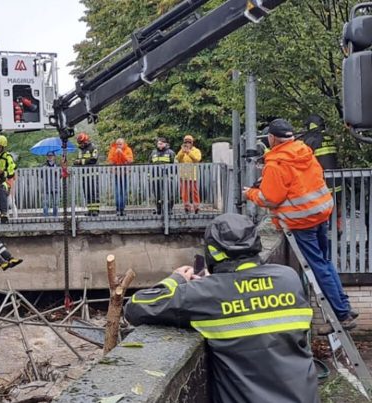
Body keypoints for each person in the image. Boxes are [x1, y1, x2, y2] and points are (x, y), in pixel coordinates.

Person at [125, 213, 318, 403]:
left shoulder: (206, 293)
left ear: (212, 251)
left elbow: (135, 307)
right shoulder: (288, 278)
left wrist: (177, 279)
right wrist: (217, 280)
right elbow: (249, 294)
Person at [244, 118, 357, 333]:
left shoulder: (276, 163)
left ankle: (342, 314)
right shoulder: (304, 151)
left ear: (271, 138)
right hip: (320, 214)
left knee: (318, 265)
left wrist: (250, 193)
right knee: (324, 261)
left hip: (301, 220)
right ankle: (344, 307)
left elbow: (270, 198)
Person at [302, 114, 344, 237]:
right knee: (335, 208)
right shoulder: (331, 137)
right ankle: (336, 231)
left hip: (320, 183)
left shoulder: (310, 140)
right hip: (336, 183)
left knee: (321, 210)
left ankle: (325, 234)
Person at [73, 132, 100, 216]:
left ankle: (95, 210)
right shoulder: (81, 150)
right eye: (79, 143)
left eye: (81, 143)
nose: (80, 144)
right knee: (87, 193)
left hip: (93, 175)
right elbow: (78, 160)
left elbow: (93, 159)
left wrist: (80, 161)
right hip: (84, 175)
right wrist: (76, 161)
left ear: (86, 141)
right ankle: (90, 210)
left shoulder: (93, 147)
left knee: (94, 192)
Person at [175, 134, 203, 214]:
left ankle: (196, 207)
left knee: (194, 192)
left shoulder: (196, 150)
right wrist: (182, 151)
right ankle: (187, 207)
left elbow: (197, 159)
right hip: (183, 175)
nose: (187, 143)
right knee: (184, 192)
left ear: (192, 143)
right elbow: (178, 159)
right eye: (186, 142)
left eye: (189, 142)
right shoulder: (181, 150)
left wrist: (189, 152)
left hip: (192, 175)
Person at [149, 137, 176, 215]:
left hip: (168, 177)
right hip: (155, 177)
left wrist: (172, 175)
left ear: (165, 143)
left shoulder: (170, 152)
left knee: (169, 194)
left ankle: (169, 209)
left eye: (161, 143)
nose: (160, 145)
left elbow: (174, 164)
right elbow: (149, 164)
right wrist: (149, 175)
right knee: (157, 194)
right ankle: (159, 209)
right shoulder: (153, 152)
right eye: (158, 144)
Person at [107, 138, 134, 216]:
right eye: (117, 144)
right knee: (117, 191)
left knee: (123, 191)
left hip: (125, 173)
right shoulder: (113, 149)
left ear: (124, 143)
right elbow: (110, 161)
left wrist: (122, 153)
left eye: (120, 144)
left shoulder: (128, 149)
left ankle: (123, 209)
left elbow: (130, 161)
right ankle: (118, 209)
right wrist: (116, 154)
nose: (118, 146)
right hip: (116, 173)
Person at [41, 151, 59, 217]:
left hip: (55, 187)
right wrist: (43, 170)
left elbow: (60, 176)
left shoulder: (57, 165)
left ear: (54, 157)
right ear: (47, 157)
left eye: (51, 155)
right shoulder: (43, 165)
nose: (50, 157)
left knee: (56, 203)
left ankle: (55, 217)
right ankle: (45, 217)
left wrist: (57, 172)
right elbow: (40, 175)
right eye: (49, 156)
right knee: (45, 203)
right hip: (46, 187)